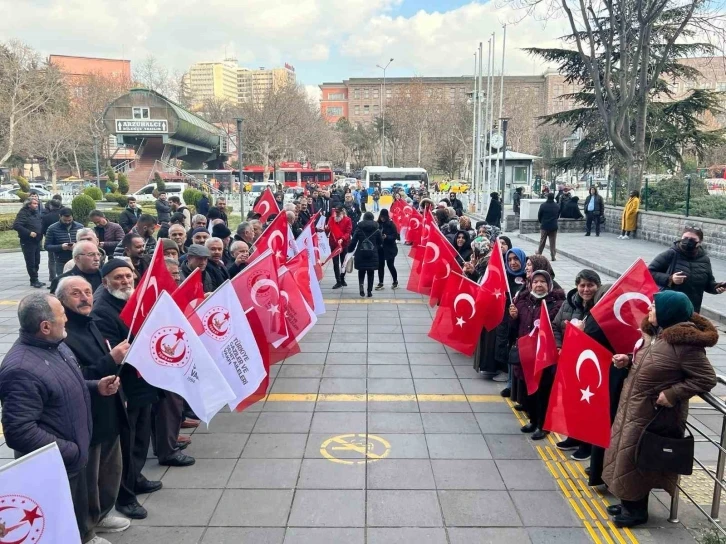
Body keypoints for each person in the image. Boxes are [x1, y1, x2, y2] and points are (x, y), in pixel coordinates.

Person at [0, 292, 121, 542]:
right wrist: (70, 450)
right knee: (61, 519)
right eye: (62, 315)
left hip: (71, 455)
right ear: (45, 327)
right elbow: (19, 430)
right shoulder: (21, 369)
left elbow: (64, 384)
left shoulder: (57, 345)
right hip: (58, 462)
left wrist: (94, 385)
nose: (66, 319)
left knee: (77, 505)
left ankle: (86, 534)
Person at [602, 291, 718, 528]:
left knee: (635, 459)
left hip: (653, 413)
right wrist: (628, 361)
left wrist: (673, 394)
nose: (649, 310)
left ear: (669, 312)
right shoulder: (657, 335)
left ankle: (635, 512)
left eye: (654, 307)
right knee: (625, 454)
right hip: (634, 406)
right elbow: (653, 364)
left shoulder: (685, 345)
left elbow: (706, 378)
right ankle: (629, 502)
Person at [57, 277, 132, 539]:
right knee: (88, 479)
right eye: (76, 293)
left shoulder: (91, 323)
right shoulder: (63, 335)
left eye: (87, 292)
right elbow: (76, 376)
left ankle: (102, 513)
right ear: (62, 301)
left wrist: (117, 385)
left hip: (109, 407)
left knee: (110, 471)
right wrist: (110, 360)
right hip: (87, 417)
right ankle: (86, 529)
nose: (85, 298)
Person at [92, 260, 161, 520]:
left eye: (128, 276)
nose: (125, 281)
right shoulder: (103, 311)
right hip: (126, 387)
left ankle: (136, 477)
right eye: (118, 277)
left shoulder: (134, 300)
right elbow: (117, 351)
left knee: (142, 437)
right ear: (105, 282)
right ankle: (125, 496)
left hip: (144, 382)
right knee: (127, 443)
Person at [551, 269, 602, 461]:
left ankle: (587, 444)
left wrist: (582, 333)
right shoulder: (569, 303)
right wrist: (558, 346)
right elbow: (555, 326)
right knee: (571, 401)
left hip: (590, 366)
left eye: (590, 285)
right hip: (569, 362)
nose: (586, 289)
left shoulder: (600, 309)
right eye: (582, 285)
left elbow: (602, 337)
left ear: (597, 286)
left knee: (588, 404)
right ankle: (573, 436)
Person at [509, 269, 565, 439]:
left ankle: (543, 425)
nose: (539, 285)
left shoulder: (556, 304)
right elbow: (514, 329)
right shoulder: (523, 302)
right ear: (530, 284)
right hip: (527, 354)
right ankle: (533, 420)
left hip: (544, 356)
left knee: (543, 391)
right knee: (528, 390)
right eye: (535, 282)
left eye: (542, 282)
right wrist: (513, 317)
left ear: (549, 285)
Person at [648, 226, 726, 312]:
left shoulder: (704, 260)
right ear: (681, 238)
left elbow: (708, 283)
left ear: (700, 242)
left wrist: (716, 288)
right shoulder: (671, 254)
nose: (688, 241)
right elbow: (649, 272)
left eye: (692, 239)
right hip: (669, 308)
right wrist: (670, 279)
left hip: (692, 309)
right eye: (685, 238)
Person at [347, 211, 383, 298]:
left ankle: (361, 286)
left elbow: (354, 241)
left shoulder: (359, 228)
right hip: (373, 253)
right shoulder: (377, 229)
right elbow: (380, 242)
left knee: (361, 271)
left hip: (361, 252)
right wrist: (375, 248)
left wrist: (349, 250)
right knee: (371, 272)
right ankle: (369, 291)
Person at [13, 197, 45, 288]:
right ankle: (34, 280)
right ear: (29, 205)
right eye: (34, 204)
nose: (37, 205)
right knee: (31, 261)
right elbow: (16, 225)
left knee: (37, 261)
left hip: (37, 240)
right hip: (27, 241)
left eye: (37, 203)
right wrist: (29, 233)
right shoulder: (23, 213)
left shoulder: (36, 213)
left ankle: (36, 278)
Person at [45, 208, 83, 277]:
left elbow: (85, 242)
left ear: (72, 217)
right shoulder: (52, 228)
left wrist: (77, 246)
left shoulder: (80, 227)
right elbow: (47, 246)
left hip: (78, 259)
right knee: (63, 281)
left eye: (69, 220)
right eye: (65, 220)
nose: (67, 222)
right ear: (60, 216)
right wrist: (61, 247)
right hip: (61, 260)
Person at [327, 206, 353, 289]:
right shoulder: (331, 219)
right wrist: (326, 229)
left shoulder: (347, 220)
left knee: (343, 263)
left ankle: (342, 278)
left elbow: (348, 232)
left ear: (342, 212)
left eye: (338, 213)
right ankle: (338, 281)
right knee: (335, 263)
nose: (337, 215)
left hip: (344, 244)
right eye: (336, 213)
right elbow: (328, 230)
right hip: (334, 244)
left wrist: (342, 238)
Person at [375, 209, 398, 290]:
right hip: (380, 249)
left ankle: (395, 281)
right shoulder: (377, 224)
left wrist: (387, 237)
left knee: (390, 265)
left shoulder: (391, 224)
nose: (382, 218)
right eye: (381, 217)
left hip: (390, 249)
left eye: (384, 217)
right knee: (380, 266)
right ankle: (381, 282)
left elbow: (395, 236)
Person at [41, 198, 63, 282]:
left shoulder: (46, 217)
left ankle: (53, 278)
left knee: (52, 260)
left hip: (51, 241)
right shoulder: (63, 215)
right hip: (63, 239)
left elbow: (42, 229)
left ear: (51, 206)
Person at [536, 193, 559, 261]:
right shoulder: (557, 206)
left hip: (544, 225)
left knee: (542, 241)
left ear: (547, 197)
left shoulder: (543, 205)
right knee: (552, 242)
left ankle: (539, 254)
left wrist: (541, 222)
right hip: (553, 226)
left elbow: (539, 215)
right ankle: (553, 256)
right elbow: (557, 215)